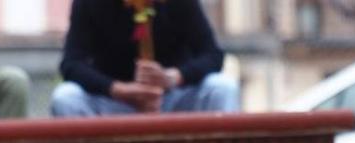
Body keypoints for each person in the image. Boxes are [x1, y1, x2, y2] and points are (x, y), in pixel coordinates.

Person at [51, 0, 239, 118]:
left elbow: (213, 55)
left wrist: (172, 78)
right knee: (66, 98)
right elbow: (71, 64)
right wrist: (117, 89)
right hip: (113, 102)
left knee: (222, 87)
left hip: (173, 98)